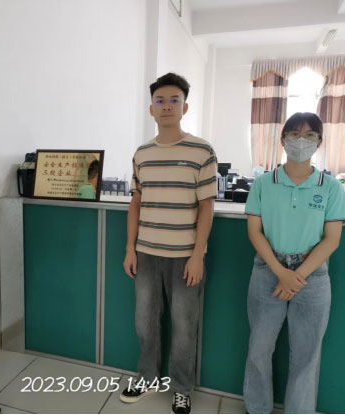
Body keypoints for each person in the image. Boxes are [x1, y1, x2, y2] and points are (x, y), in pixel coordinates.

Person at [120, 73, 217, 414]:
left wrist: (198, 254)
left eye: (174, 100)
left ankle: (181, 388)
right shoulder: (142, 154)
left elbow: (207, 207)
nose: (166, 106)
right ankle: (147, 378)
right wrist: (130, 249)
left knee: (184, 327)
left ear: (184, 107)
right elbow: (136, 203)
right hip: (146, 253)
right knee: (145, 322)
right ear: (151, 108)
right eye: (159, 100)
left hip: (184, 257)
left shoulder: (202, 151)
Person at [243, 112, 345, 413]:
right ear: (283, 140)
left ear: (319, 141)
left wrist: (297, 276)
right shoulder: (264, 183)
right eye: (294, 134)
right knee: (259, 348)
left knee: (306, 354)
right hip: (268, 271)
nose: (301, 141)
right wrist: (281, 273)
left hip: (312, 277)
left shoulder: (330, 187)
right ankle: (257, 408)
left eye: (310, 135)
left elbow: (332, 239)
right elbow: (254, 232)